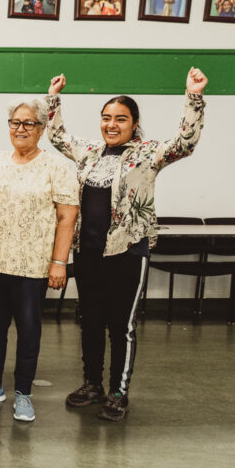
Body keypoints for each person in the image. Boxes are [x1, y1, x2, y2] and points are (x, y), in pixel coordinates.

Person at [46, 68, 207, 421]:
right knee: (90, 320)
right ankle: (92, 384)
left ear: (134, 124)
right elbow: (57, 137)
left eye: (121, 119)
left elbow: (185, 143)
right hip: (87, 253)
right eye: (106, 118)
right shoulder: (88, 152)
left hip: (128, 251)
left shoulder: (148, 153)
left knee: (122, 325)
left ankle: (119, 392)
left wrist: (193, 97)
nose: (112, 124)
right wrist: (53, 98)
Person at [0, 100, 78, 422]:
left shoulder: (57, 166)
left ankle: (24, 392)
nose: (20, 129)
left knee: (29, 330)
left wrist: (59, 262)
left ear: (41, 129)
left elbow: (67, 216)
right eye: (15, 122)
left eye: (28, 123)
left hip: (33, 265)